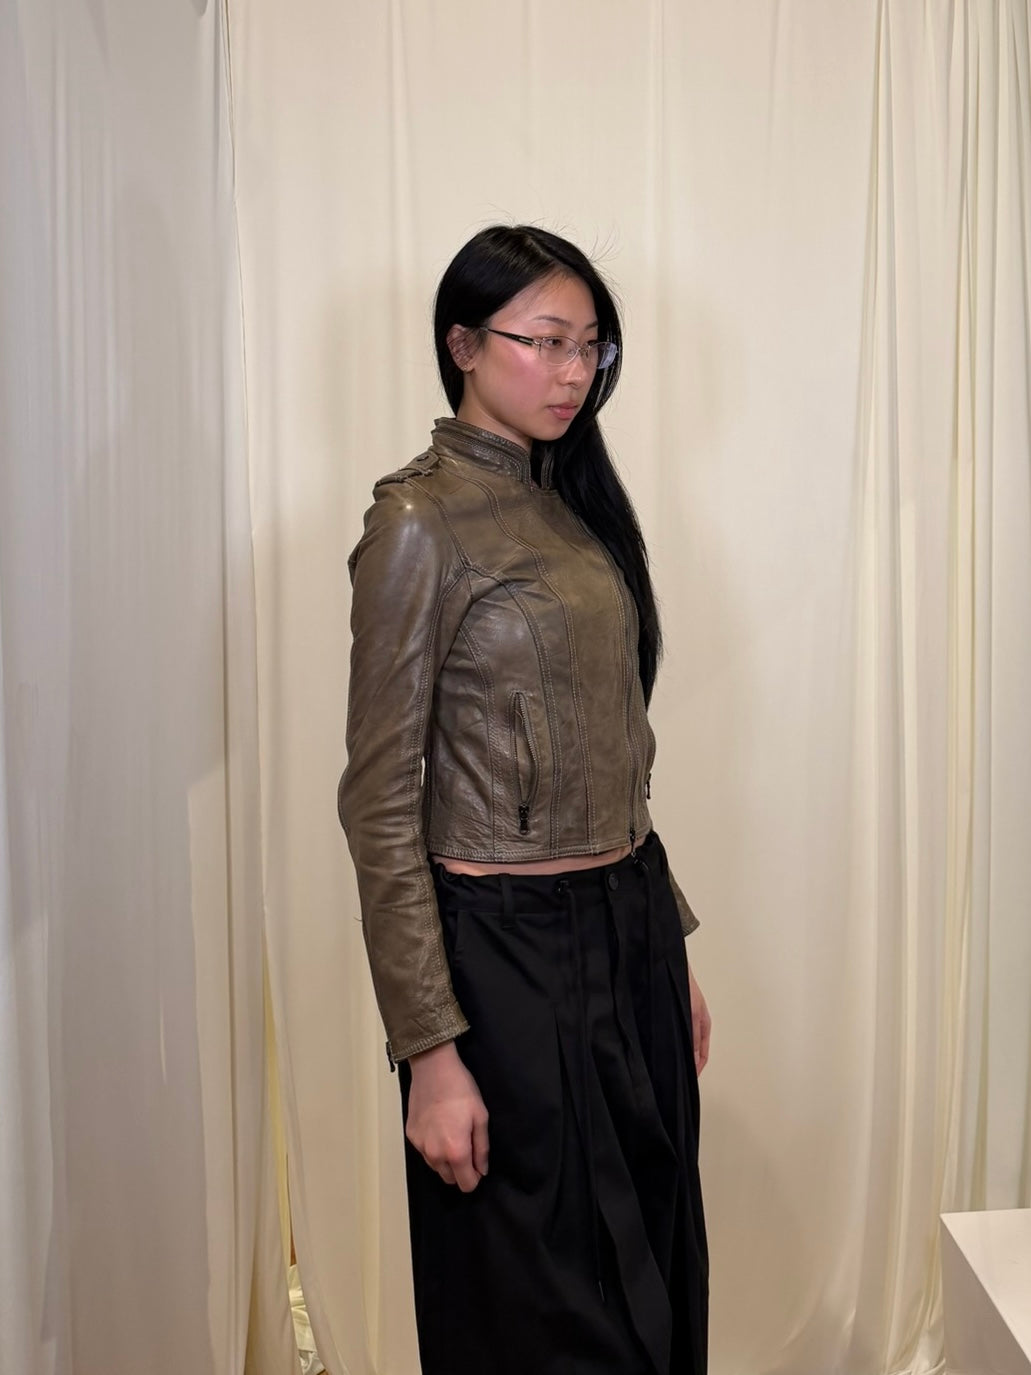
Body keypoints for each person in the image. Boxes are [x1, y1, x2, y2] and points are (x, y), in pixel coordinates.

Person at [338, 224, 709, 1375]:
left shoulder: (571, 506)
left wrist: (667, 947)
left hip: (627, 934)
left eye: (589, 346)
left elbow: (616, 744)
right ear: (462, 344)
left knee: (651, 1273)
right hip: (502, 963)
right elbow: (378, 801)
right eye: (543, 341)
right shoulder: (417, 522)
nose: (570, 371)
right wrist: (429, 1051)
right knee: (534, 1309)